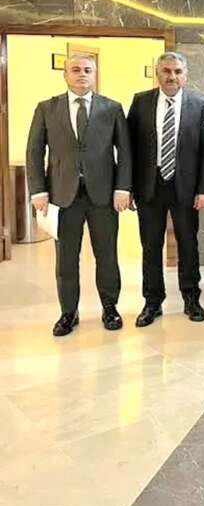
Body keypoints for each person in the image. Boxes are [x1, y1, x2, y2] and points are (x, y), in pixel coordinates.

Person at [27, 54, 132, 336]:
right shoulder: (47, 108)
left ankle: (110, 307)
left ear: (95, 75)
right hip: (63, 197)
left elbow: (125, 152)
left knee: (107, 256)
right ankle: (68, 313)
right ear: (65, 75)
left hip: (103, 196)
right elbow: (34, 152)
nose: (82, 74)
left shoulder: (112, 108)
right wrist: (38, 190)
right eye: (75, 69)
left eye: (88, 70)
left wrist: (123, 188)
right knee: (66, 259)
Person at [127, 51, 204, 326]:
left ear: (185, 75)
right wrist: (127, 187)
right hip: (149, 186)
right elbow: (129, 148)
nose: (172, 76)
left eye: (177, 71)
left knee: (188, 244)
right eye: (166, 71)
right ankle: (152, 302)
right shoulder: (141, 101)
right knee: (151, 246)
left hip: (185, 187)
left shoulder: (200, 104)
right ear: (157, 73)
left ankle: (191, 299)